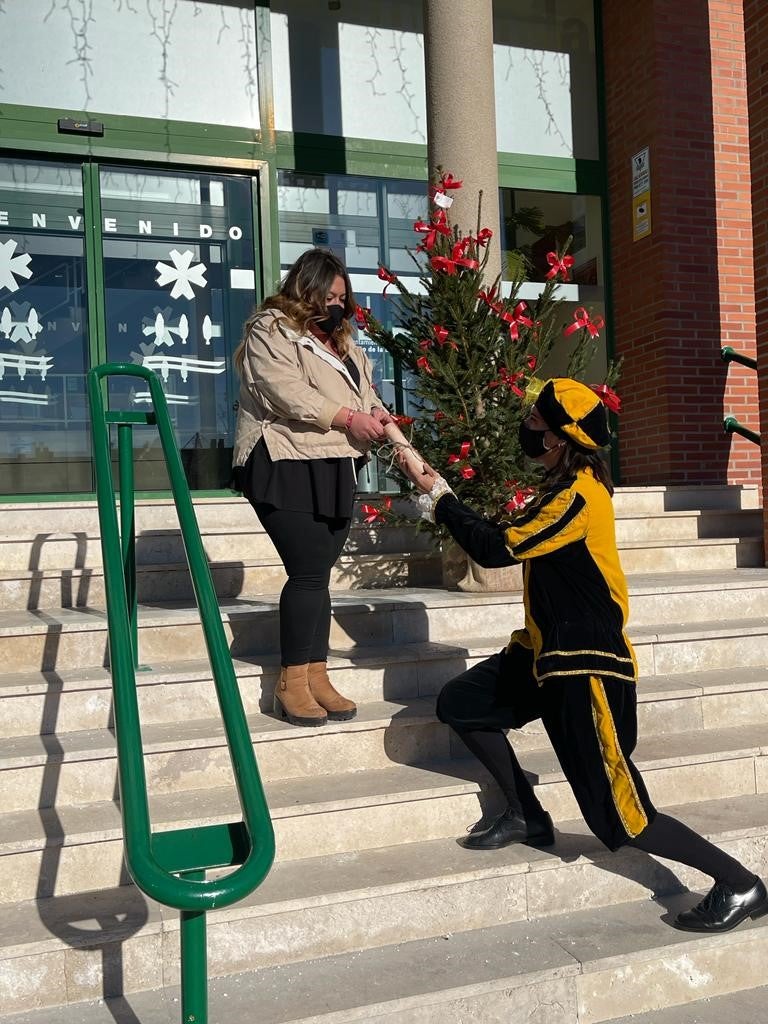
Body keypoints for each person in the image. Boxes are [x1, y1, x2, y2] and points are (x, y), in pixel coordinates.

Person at [398, 377, 768, 933]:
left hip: (587, 666)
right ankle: (526, 814)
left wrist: (441, 495)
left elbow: (498, 547)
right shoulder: (565, 484)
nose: (526, 429)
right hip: (546, 651)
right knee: (464, 702)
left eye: (535, 423)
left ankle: (739, 883)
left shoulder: (579, 495)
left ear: (560, 438)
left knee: (619, 815)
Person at [232, 248, 390, 727]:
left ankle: (316, 674)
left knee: (318, 572)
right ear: (308, 288)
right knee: (305, 570)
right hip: (281, 456)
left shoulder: (346, 344)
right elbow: (284, 391)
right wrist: (348, 418)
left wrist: (377, 414)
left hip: (332, 461)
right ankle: (291, 681)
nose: (338, 304)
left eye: (344, 296)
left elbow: (366, 393)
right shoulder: (270, 329)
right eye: (331, 294)